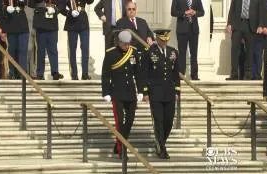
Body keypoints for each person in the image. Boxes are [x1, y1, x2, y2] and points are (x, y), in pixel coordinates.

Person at [101, 30, 143, 158]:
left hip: (130, 92)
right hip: (117, 92)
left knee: (129, 121)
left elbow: (138, 73)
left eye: (128, 44)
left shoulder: (133, 52)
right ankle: (122, 150)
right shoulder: (111, 54)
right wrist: (106, 92)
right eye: (124, 44)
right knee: (120, 122)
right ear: (119, 42)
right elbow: (105, 75)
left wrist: (140, 91)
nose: (126, 46)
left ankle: (118, 143)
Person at [142, 29, 180, 159]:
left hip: (169, 92)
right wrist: (145, 92)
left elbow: (176, 73)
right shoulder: (149, 52)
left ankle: (160, 142)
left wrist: (177, 90)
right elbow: (144, 73)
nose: (164, 42)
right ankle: (162, 150)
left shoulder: (173, 52)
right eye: (162, 40)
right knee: (159, 121)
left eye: (166, 40)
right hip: (155, 92)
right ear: (157, 39)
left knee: (168, 121)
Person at [225, 0, 267, 80]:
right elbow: (232, 10)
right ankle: (234, 74)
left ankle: (248, 75)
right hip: (237, 24)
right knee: (234, 49)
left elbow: (260, 12)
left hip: (251, 26)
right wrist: (229, 24)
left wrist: (260, 25)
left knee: (250, 51)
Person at [59, 0, 94, 80]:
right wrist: (69, 13)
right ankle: (74, 74)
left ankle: (85, 74)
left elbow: (90, 1)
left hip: (83, 21)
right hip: (71, 21)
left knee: (85, 48)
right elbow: (61, 7)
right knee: (72, 49)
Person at [29, 0, 63, 80]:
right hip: (41, 22)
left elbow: (62, 3)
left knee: (53, 49)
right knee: (41, 50)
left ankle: (55, 72)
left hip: (52, 22)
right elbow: (31, 3)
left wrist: (56, 9)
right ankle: (40, 73)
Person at [171, 0, 204, 80]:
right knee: (182, 53)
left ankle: (194, 75)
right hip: (182, 30)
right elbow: (173, 12)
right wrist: (184, 13)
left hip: (194, 30)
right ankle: (181, 74)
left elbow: (202, 12)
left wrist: (195, 12)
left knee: (194, 53)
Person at [2, 0, 30, 79]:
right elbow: (1, 9)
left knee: (22, 50)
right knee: (12, 51)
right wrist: (6, 8)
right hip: (11, 27)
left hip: (22, 27)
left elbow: (25, 4)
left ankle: (22, 72)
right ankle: (12, 72)